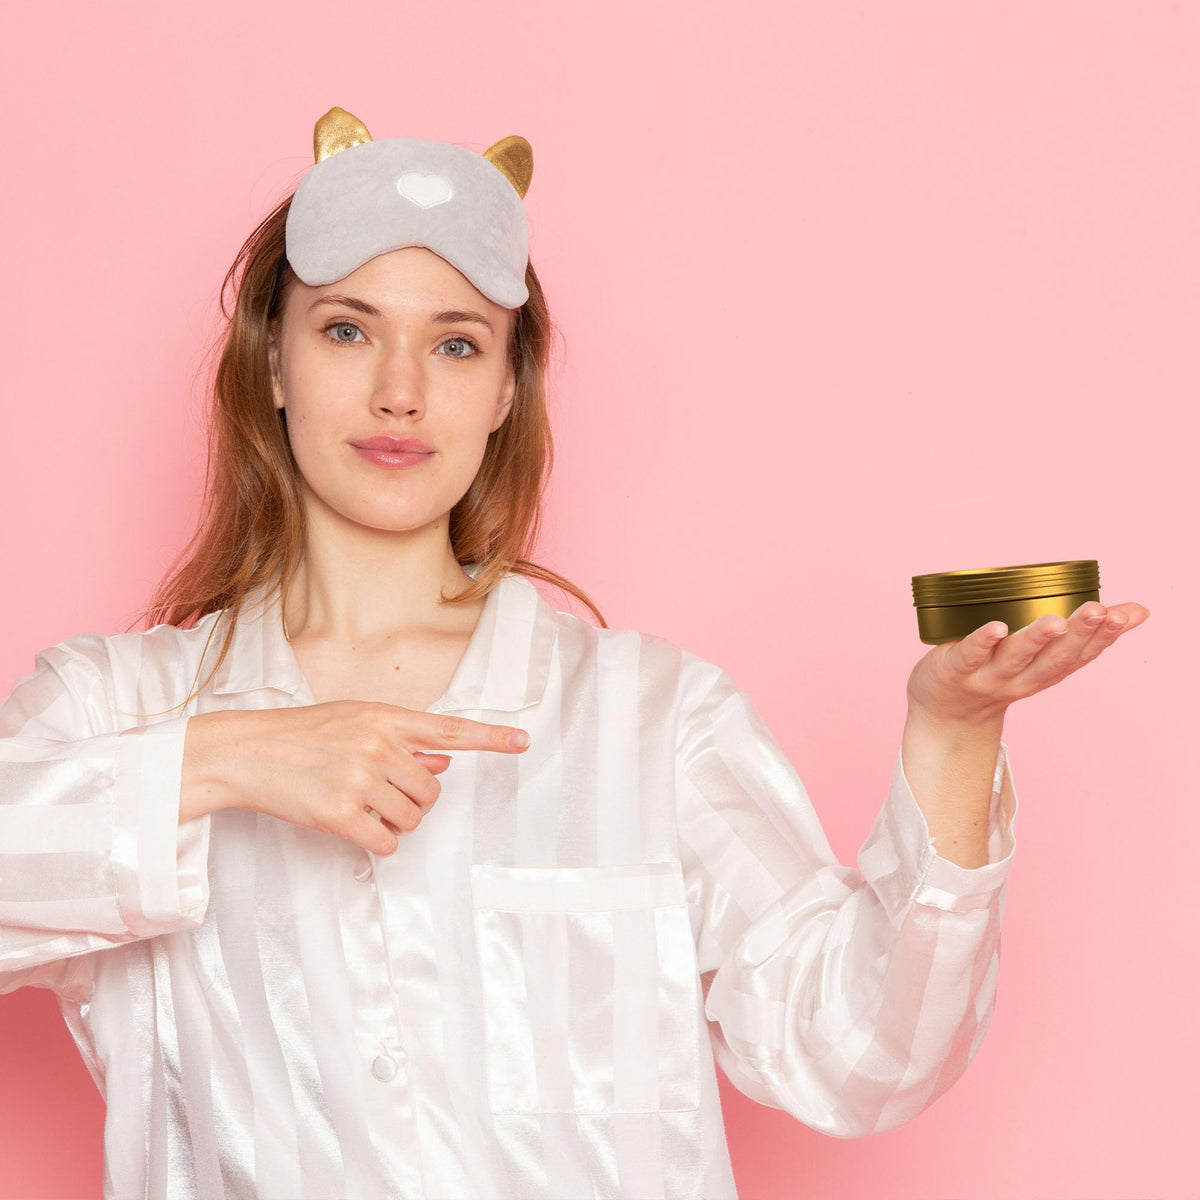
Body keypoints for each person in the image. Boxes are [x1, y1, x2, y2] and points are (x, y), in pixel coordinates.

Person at [0, 105, 1149, 1200]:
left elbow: (858, 1055)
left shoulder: (652, 717)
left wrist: (953, 734)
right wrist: (224, 762)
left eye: (455, 345)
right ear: (272, 365)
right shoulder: (119, 704)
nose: (399, 393)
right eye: (347, 329)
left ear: (507, 388)